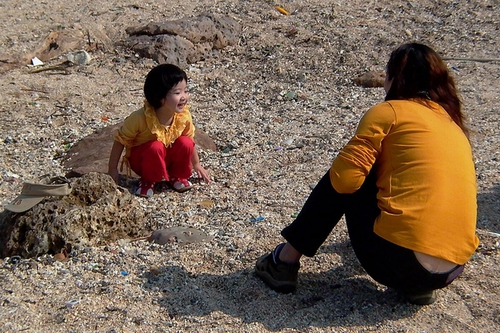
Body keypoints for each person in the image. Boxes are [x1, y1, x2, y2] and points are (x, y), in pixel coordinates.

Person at [255, 43, 478, 305]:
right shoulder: (452, 123)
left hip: (400, 263)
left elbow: (345, 180)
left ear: (396, 78)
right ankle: (416, 286)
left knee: (348, 173)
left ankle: (284, 262)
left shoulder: (390, 111)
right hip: (449, 272)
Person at [108, 64, 211, 197]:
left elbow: (190, 140)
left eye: (186, 90)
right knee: (155, 146)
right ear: (159, 96)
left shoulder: (183, 116)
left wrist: (197, 164)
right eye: (177, 93)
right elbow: (120, 141)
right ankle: (148, 180)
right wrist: (112, 169)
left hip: (167, 158)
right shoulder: (140, 117)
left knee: (185, 142)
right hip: (143, 161)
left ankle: (176, 176)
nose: (184, 97)